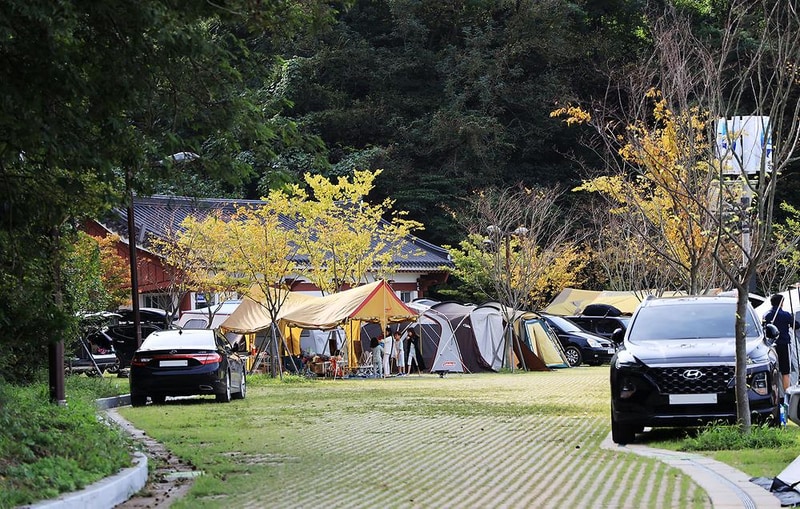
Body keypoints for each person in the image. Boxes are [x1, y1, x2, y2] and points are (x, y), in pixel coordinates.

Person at [764, 294, 799, 392]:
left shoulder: (766, 315)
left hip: (771, 346)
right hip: (784, 344)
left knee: (772, 371)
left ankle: (774, 394)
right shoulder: (785, 315)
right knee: (785, 371)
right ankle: (786, 393)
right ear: (781, 303)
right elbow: (796, 325)